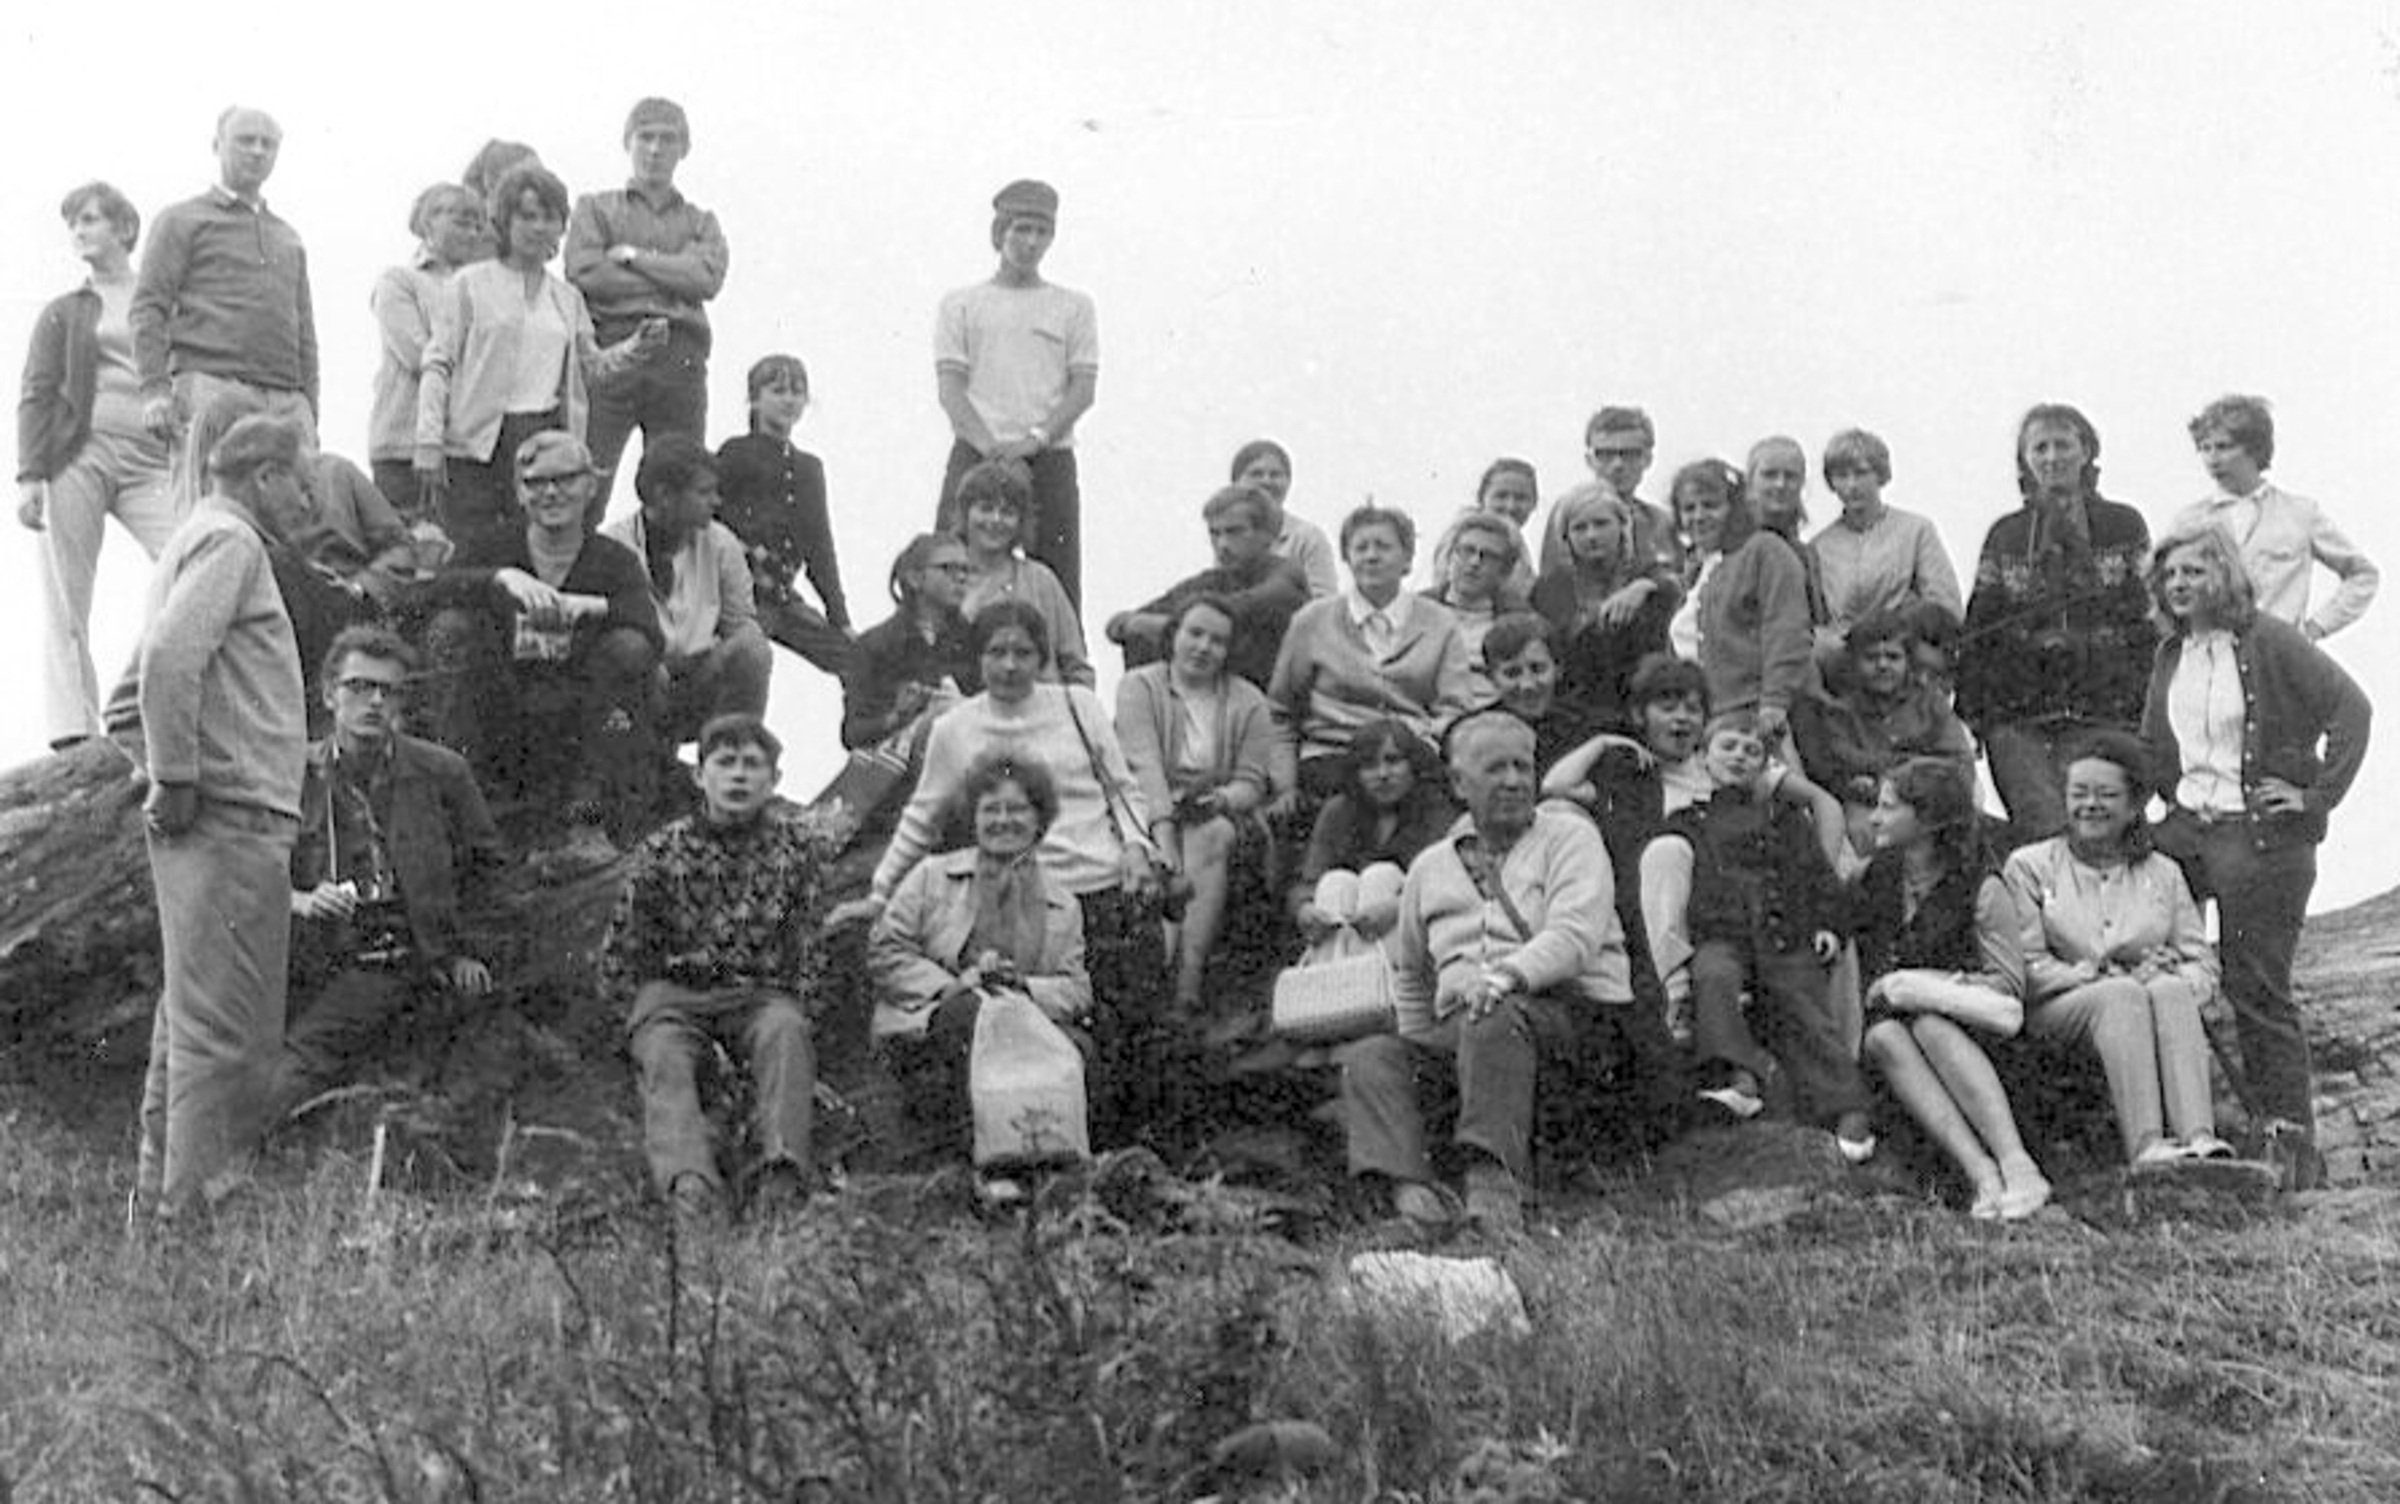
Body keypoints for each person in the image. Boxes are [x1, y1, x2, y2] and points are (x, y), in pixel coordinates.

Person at [847, 600, 1166, 1135]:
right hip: (1015, 890)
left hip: (1096, 881)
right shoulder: (956, 727)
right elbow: (922, 816)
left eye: (1024, 652)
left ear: (1043, 657)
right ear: (978, 658)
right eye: (997, 652)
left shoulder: (1079, 705)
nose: (1011, 665)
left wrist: (1137, 848)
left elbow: (1122, 789)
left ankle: (1119, 1139)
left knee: (1116, 1022)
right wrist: (880, 895)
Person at [1339, 711, 1631, 1237]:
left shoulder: (1570, 838)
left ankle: (1494, 1195)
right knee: (1373, 1056)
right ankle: (1414, 1198)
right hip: (1469, 1032)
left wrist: (1505, 977)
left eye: (1523, 766)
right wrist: (1418, 1042)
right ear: (1458, 783)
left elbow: (1575, 938)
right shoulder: (1430, 867)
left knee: (1492, 1016)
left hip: (1569, 1024)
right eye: (1496, 769)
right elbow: (1412, 975)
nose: (1514, 780)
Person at [2141, 524, 2369, 1190]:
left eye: (2193, 571)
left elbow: (2352, 711)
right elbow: (2154, 744)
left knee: (2256, 988)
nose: (2179, 584)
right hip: (2188, 830)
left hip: (2260, 838)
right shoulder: (2170, 652)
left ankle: (2291, 1150)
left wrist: (2315, 797)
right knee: (2141, 959)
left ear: (2224, 575)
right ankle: (2177, 1135)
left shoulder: (2271, 639)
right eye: (2169, 575)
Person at [131, 413, 314, 1220]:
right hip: (235, 817)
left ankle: (159, 1213)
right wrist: (175, 778)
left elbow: (126, 695)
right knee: (231, 1035)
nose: (308, 500)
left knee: (191, 1027)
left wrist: (162, 771)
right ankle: (195, 1223)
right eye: (302, 483)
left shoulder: (193, 539)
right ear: (265, 477)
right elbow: (168, 660)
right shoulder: (233, 542)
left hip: (224, 814)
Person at [598, 715, 845, 1224]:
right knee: (664, 1053)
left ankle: (780, 1176)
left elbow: (810, 951)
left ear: (775, 780)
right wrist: (638, 1021)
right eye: (725, 763)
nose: (738, 776)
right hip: (675, 996)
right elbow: (621, 954)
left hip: (758, 994)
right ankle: (689, 1188)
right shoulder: (661, 851)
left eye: (752, 765)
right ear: (699, 775)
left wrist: (804, 1013)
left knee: (785, 1032)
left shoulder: (798, 852)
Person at [270, 626, 501, 1119]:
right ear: (328, 694)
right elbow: (250, 871)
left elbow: (488, 868)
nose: (374, 702)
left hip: (409, 956)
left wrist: (470, 951)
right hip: (317, 955)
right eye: (358, 687)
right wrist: (302, 899)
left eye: (388, 691)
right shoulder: (292, 775)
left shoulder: (443, 772)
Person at [2002, 731, 2230, 1169]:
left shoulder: (2163, 872)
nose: (2090, 805)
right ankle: (2147, 1146)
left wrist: (2174, 975)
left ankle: (2200, 1138)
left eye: (2106, 795)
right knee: (2120, 994)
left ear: (2133, 805)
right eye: (2079, 794)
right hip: (2060, 1006)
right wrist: (2093, 974)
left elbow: (2200, 961)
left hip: (2147, 997)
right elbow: (2025, 965)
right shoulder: (2029, 866)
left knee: (2169, 990)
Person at [868, 753, 1092, 1196]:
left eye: (1017, 809)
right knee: (968, 1019)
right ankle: (985, 1167)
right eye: (991, 809)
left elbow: (1076, 987)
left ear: (1040, 820)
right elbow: (886, 950)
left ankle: (1053, 1167)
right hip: (939, 1014)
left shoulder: (1063, 903)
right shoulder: (931, 877)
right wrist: (955, 985)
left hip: (1028, 1022)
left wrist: (1023, 986)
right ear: (972, 817)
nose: (1003, 820)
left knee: (1079, 1048)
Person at [416, 163, 664, 562]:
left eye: (549, 218)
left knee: (531, 553)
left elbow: (592, 367)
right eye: (527, 216)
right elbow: (437, 364)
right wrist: (428, 440)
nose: (538, 228)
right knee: (472, 554)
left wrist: (637, 346)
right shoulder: (469, 284)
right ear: (505, 221)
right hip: (475, 442)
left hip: (542, 436)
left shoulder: (567, 298)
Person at [418, 431, 661, 832]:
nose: (551, 492)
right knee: (450, 628)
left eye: (565, 479)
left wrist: (594, 606)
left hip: (583, 712)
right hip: (497, 705)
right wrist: (500, 578)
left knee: (630, 648)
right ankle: (469, 809)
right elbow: (428, 594)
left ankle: (588, 822)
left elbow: (651, 631)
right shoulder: (492, 545)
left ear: (591, 486)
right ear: (518, 492)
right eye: (535, 482)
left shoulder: (614, 559)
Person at [1659, 709, 1874, 1160]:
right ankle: (1740, 1076)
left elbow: (1819, 878)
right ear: (1704, 757)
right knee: (1713, 975)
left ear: (1765, 765)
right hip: (1723, 934)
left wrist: (1828, 926)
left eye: (1752, 750)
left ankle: (1849, 1106)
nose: (1739, 757)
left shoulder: (1786, 820)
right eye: (1728, 747)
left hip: (1782, 932)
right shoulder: (1687, 822)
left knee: (1803, 1005)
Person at [1853, 758, 2050, 1220]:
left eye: (1888, 807)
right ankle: (1982, 1173)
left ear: (1927, 819)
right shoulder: (1879, 874)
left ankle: (2018, 1165)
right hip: (1901, 1053)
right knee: (1883, 1036)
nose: (1875, 818)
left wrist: (1923, 985)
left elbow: (2007, 985)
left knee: (1931, 1026)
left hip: (1982, 1045)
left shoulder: (1982, 886)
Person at [19, 181, 179, 750]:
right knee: (67, 594)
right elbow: (37, 393)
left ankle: (152, 704)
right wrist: (30, 476)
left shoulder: (160, 300)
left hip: (152, 460)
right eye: (74, 223)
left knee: (189, 561)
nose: (79, 232)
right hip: (78, 454)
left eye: (90, 219)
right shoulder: (65, 311)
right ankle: (74, 731)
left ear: (124, 228)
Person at [1957, 403, 2154, 840]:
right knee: (2041, 837)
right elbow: (1980, 627)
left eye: (2063, 445)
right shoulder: (2006, 534)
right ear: (2025, 459)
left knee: (2104, 836)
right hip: (2019, 719)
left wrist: (2147, 706)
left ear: (2086, 451)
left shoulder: (2123, 525)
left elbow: (2148, 617)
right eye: (2040, 447)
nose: (2052, 457)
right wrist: (1969, 715)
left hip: (2106, 710)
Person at [131, 107, 318, 515]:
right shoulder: (181, 219)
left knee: (297, 522)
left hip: (285, 399)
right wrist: (155, 391)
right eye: (245, 140)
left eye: (268, 143)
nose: (257, 151)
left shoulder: (287, 236)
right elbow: (148, 308)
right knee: (209, 516)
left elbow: (304, 331)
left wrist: (309, 409)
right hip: (211, 388)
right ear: (217, 146)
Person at [1114, 594, 1292, 1013]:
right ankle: (1156, 982)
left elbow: (1251, 781)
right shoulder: (1140, 686)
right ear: (1174, 635)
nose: (1203, 647)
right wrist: (1164, 839)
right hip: (1147, 805)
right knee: (1164, 858)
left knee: (1210, 834)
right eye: (1194, 634)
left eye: (1218, 641)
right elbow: (1144, 767)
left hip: (1217, 812)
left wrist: (1221, 799)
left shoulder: (1248, 700)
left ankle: (1187, 981)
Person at [934, 180, 1098, 608]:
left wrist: (1035, 440)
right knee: (946, 566)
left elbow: (1083, 389)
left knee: (1059, 579)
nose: (1031, 242)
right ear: (1000, 232)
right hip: (976, 451)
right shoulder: (962, 304)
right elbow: (951, 389)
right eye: (1022, 229)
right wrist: (990, 448)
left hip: (1048, 456)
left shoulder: (1073, 306)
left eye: (1042, 232)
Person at [566, 98, 729, 516]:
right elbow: (586, 272)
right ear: (628, 142)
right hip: (611, 352)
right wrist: (673, 282)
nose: (655, 149)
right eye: (646, 137)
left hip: (680, 358)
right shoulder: (595, 208)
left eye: (668, 139)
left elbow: (706, 278)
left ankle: (667, 562)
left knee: (679, 489)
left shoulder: (701, 221)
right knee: (586, 481)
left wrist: (632, 257)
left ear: (683, 149)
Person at [1268, 503, 1478, 801]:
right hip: (1332, 755)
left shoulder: (1441, 623)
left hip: (1412, 757)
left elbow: (1456, 708)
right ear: (1347, 558)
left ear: (1407, 558)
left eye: (1383, 547)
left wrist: (1418, 736)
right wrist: (1285, 787)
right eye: (1360, 548)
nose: (1371, 556)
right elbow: (1281, 712)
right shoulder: (1312, 620)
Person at [602, 434, 771, 745]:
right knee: (626, 647)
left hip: (699, 677)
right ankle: (631, 758)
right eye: (704, 492)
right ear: (664, 495)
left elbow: (740, 625)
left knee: (752, 647)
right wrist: (652, 663)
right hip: (640, 679)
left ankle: (732, 755)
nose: (716, 501)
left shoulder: (722, 543)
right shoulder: (612, 547)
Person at [2170, 394, 2377, 643]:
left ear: (2254, 449)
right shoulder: (2189, 522)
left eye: (2223, 447)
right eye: (2205, 448)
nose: (2212, 459)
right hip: (2215, 652)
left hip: (2280, 652)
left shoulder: (2299, 514)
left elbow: (2363, 575)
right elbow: (2163, 589)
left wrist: (2316, 628)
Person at [1790, 607, 1975, 854]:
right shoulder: (1841, 712)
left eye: (1893, 657)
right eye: (1871, 657)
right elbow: (1844, 761)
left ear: (1908, 661)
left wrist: (1897, 772)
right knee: (1863, 830)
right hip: (1869, 802)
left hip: (1930, 801)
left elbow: (1958, 759)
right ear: (1854, 662)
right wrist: (1907, 763)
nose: (1883, 665)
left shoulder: (1930, 704)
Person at [714, 354, 852, 679]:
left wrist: (840, 618)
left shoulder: (809, 468)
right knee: (741, 662)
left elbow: (819, 546)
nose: (789, 400)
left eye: (797, 392)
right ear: (755, 399)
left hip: (782, 596)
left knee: (855, 660)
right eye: (777, 391)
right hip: (738, 595)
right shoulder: (735, 452)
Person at [1666, 458, 1812, 748]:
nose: (1699, 516)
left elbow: (1787, 629)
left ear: (1733, 507)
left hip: (1756, 718)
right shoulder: (1694, 571)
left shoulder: (1764, 550)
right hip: (1704, 722)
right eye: (1689, 508)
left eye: (1710, 505)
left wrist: (1775, 702)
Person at [1104, 482, 1309, 689]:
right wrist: (1132, 624)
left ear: (1267, 535)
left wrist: (1171, 627)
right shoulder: (1213, 580)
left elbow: (1238, 608)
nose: (1222, 544)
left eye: (1234, 532)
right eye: (1214, 534)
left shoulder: (1286, 576)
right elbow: (1120, 624)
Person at [368, 184, 486, 517]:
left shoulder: (483, 288)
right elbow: (418, 355)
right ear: (428, 221)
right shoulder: (399, 281)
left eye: (478, 226)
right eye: (461, 222)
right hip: (404, 443)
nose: (472, 233)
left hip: (464, 446)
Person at [1289, 719, 1457, 949]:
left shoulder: (1436, 810)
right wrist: (1305, 909)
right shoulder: (1338, 811)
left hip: (1419, 936)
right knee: (1336, 882)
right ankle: (1338, 969)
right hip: (1348, 929)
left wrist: (1397, 907)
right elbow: (1309, 880)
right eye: (1369, 765)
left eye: (1393, 761)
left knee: (1381, 877)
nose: (1383, 774)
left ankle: (1367, 970)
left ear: (1412, 764)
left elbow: (1448, 885)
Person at [1528, 487, 1678, 735]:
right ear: (1566, 537)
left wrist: (1643, 587)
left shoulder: (1646, 575)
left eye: (1601, 524)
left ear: (1622, 527)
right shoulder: (1550, 588)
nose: (1592, 535)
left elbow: (1674, 585)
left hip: (1643, 707)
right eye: (1580, 528)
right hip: (1572, 711)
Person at [1808, 427, 1962, 647]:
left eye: (1861, 473)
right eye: (1842, 476)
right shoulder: (1819, 547)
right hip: (1841, 655)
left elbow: (1946, 606)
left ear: (1880, 475)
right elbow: (1814, 620)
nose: (1852, 485)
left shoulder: (1916, 531)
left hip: (1902, 649)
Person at [954, 456, 1091, 687]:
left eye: (1007, 512)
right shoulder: (945, 580)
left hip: (1044, 704)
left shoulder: (1041, 580)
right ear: (965, 513)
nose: (995, 520)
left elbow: (1077, 667)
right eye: (985, 509)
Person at [841, 532, 979, 754]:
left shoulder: (976, 639)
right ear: (915, 578)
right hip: (900, 762)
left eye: (966, 570)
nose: (961, 578)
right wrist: (897, 716)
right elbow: (852, 733)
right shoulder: (875, 645)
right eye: (948, 569)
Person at [1537, 407, 1682, 579]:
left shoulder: (1660, 522)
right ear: (1590, 460)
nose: (1617, 465)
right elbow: (1552, 580)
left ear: (1648, 459)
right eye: (1605, 454)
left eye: (1630, 454)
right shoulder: (1569, 513)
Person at [1747, 435, 1834, 653]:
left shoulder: (1807, 555)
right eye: (1770, 475)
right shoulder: (1732, 544)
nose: (1780, 484)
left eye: (1790, 476)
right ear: (1750, 481)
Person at [1424, 511, 1529, 684]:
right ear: (1450, 556)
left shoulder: (1521, 623)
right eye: (1467, 551)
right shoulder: (1414, 609)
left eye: (1489, 556)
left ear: (1505, 571)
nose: (1474, 562)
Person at [1479, 614, 1592, 773]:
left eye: (1537, 669)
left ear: (1559, 668)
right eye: (1512, 673)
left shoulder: (1591, 728)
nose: (1527, 685)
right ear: (1491, 678)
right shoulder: (1473, 736)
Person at [1230, 438, 1337, 598]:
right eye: (1256, 474)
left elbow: (1325, 602)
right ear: (1235, 483)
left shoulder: (1308, 538)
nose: (1266, 481)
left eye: (1275, 475)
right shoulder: (1227, 535)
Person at [1426, 458, 1540, 597]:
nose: (1510, 506)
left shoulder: (1518, 542)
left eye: (1521, 498)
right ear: (1482, 498)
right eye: (1501, 496)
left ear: (1534, 503)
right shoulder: (1461, 533)